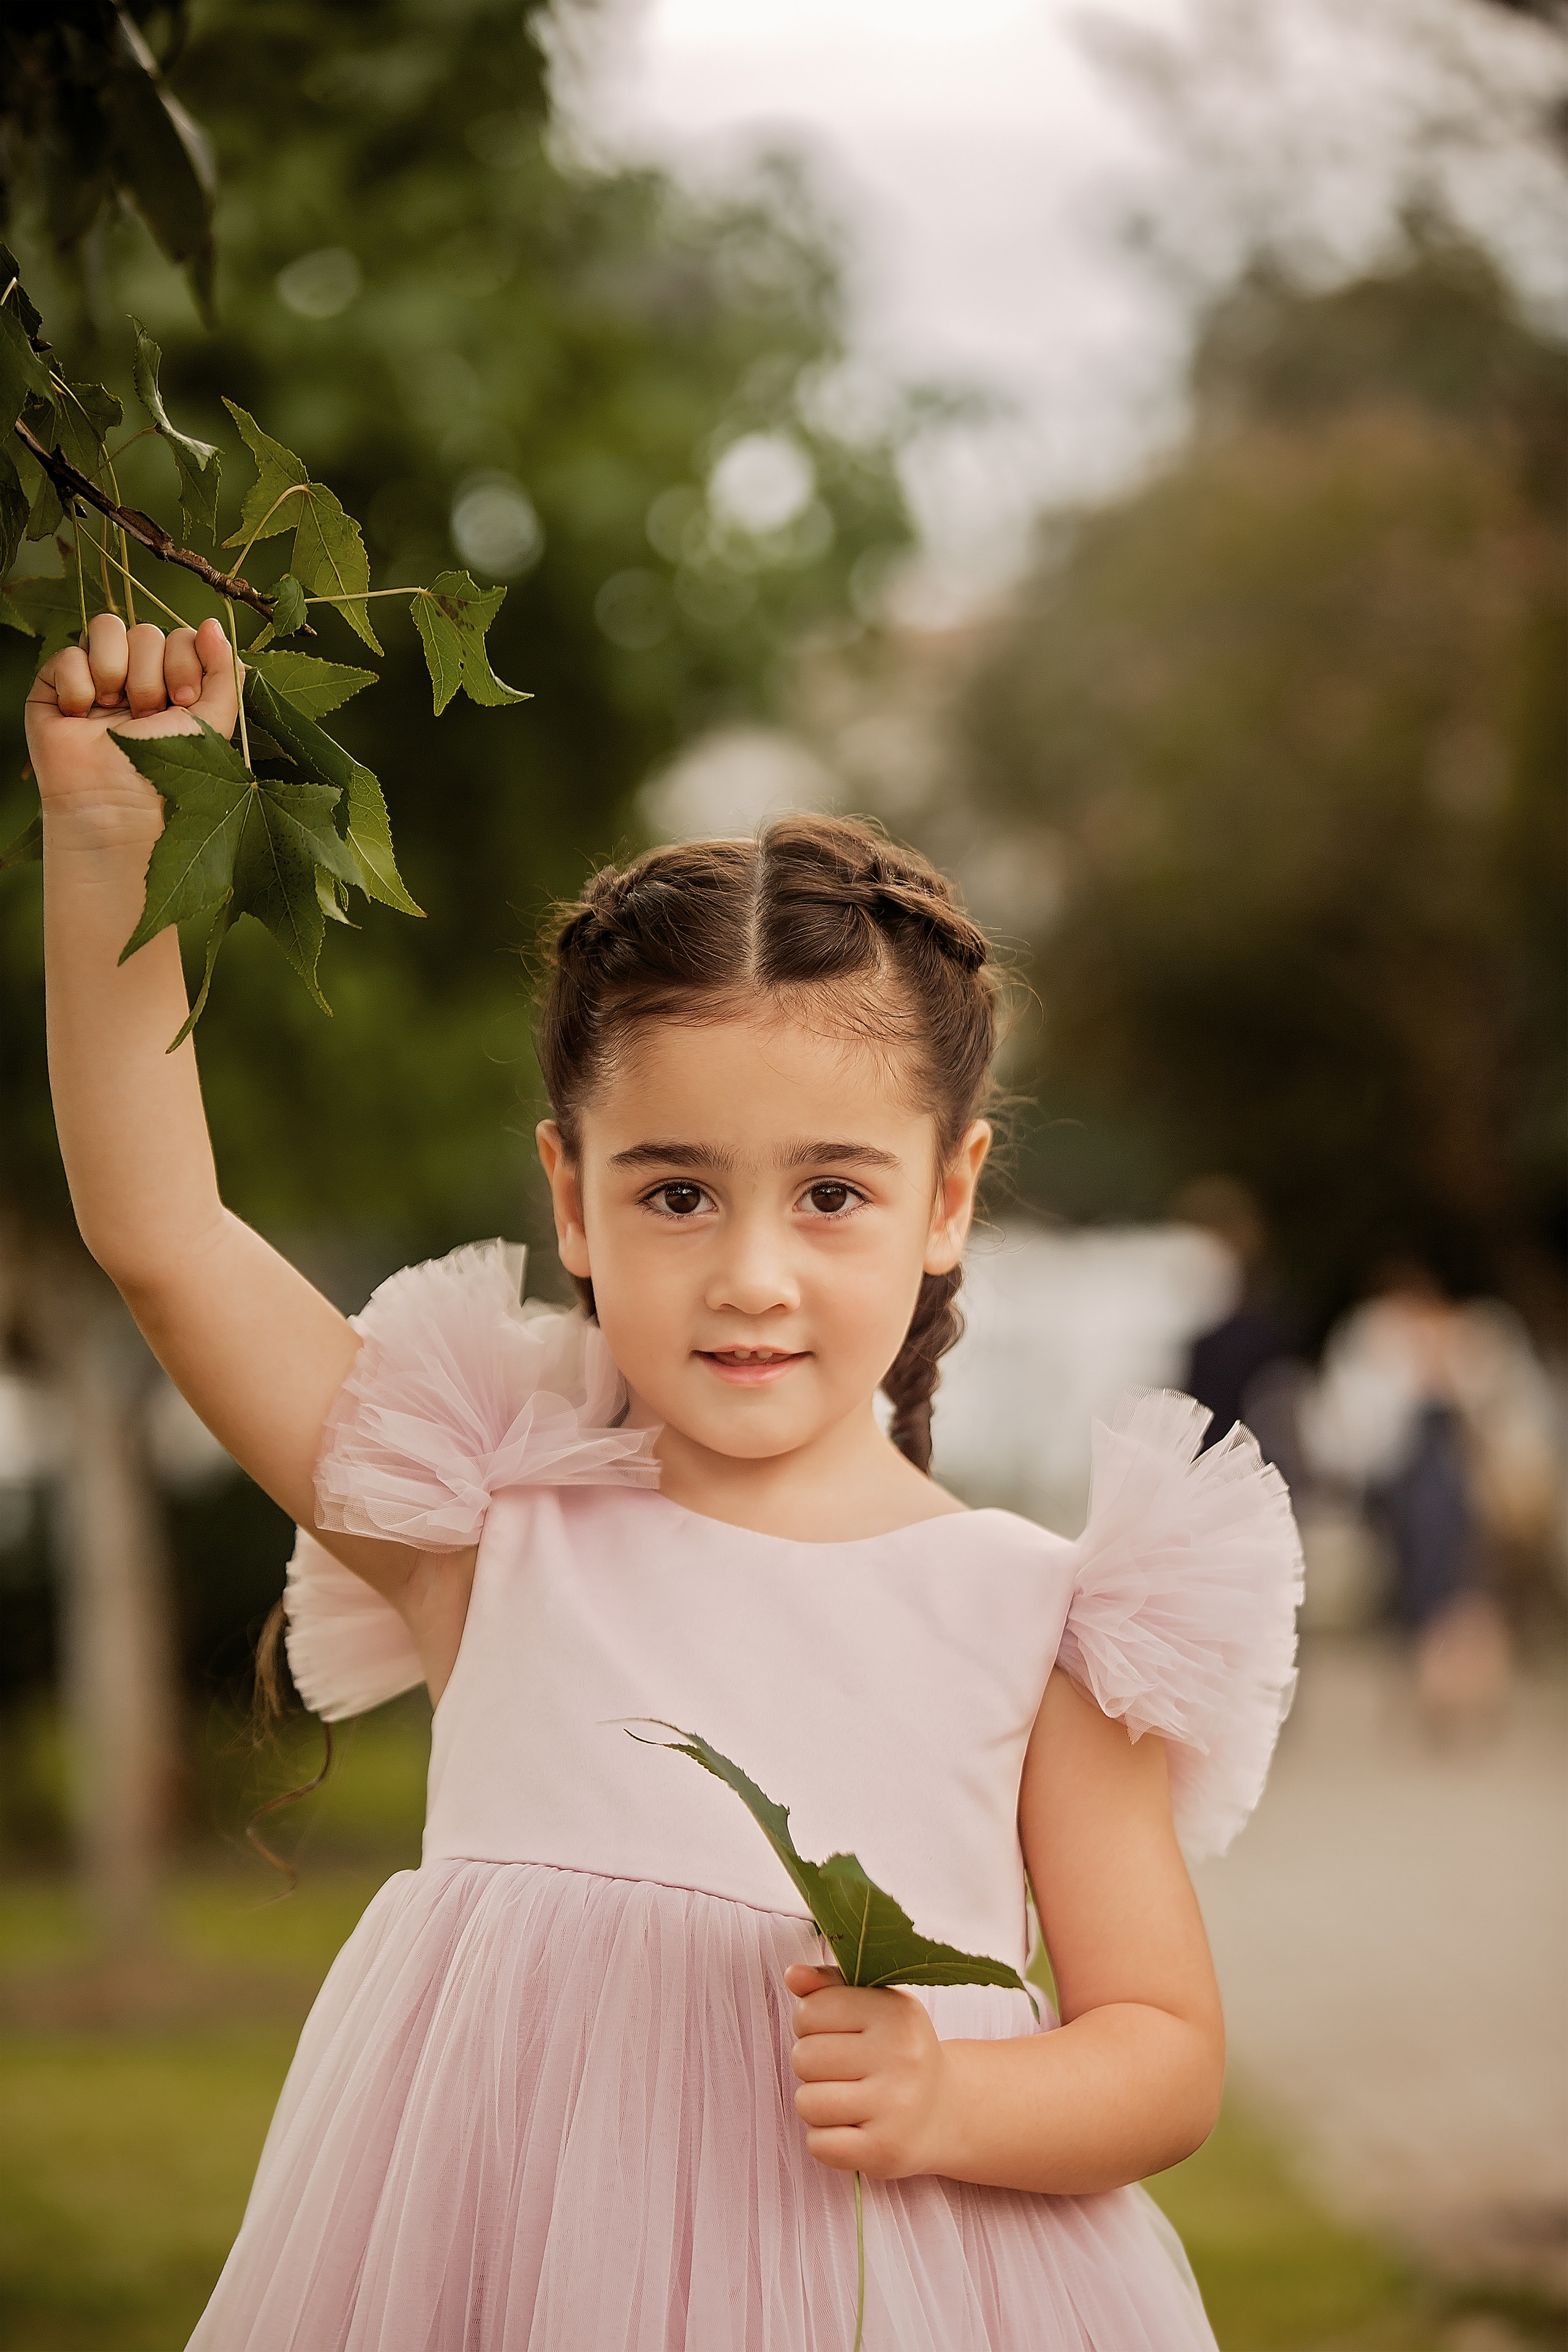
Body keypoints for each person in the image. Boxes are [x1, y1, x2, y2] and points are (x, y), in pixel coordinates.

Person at [28, 614, 1303, 2351]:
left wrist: (953, 2096)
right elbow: (165, 1237)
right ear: (573, 1196)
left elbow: (1163, 2052)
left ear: (947, 1200)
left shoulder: (1043, 1621)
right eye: (678, 1194)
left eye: (833, 1195)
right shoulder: (487, 1530)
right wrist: (116, 836)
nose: (751, 1275)